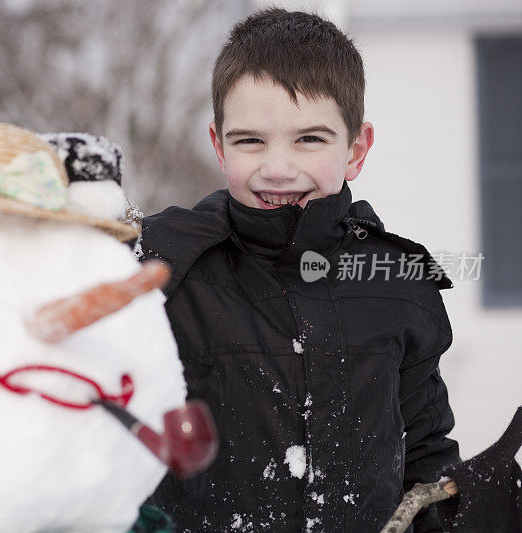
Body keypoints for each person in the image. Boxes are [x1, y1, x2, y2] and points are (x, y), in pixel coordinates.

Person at [138, 8, 459, 532]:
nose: (278, 167)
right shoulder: (162, 269)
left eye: (309, 139)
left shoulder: (397, 281)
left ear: (355, 149)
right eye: (250, 141)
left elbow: (426, 462)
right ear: (219, 146)